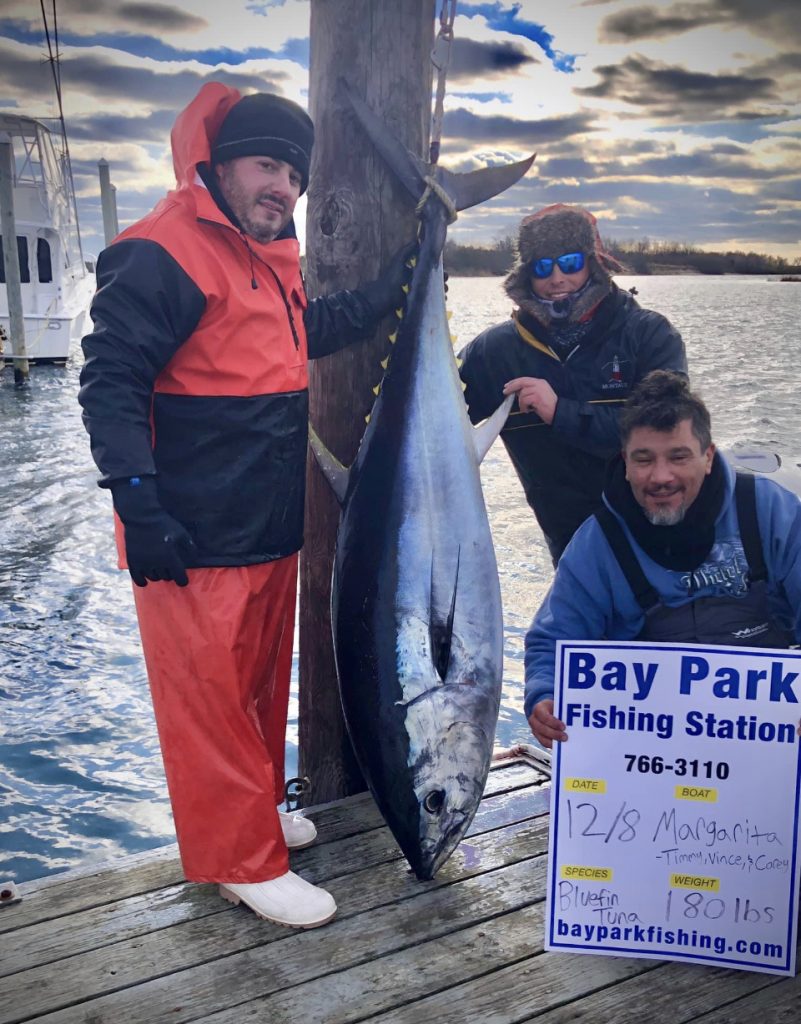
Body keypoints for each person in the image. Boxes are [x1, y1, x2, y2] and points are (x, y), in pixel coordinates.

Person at [78, 83, 412, 929]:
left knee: (259, 692)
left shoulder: (270, 259)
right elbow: (109, 380)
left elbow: (305, 332)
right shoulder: (161, 250)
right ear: (220, 164)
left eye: (294, 175)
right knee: (210, 700)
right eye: (267, 166)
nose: (283, 188)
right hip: (188, 532)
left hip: (266, 527)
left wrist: (383, 296)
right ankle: (236, 859)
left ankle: (255, 813)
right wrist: (138, 501)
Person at [525, 371, 801, 748]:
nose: (660, 476)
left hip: (765, 733)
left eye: (678, 457)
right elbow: (553, 640)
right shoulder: (598, 542)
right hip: (650, 741)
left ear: (708, 457)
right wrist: (544, 695)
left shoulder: (770, 511)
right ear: (624, 463)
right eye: (643, 459)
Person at [458, 204, 688, 563]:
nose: (556, 278)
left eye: (569, 263)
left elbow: (669, 433)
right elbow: (432, 424)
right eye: (542, 267)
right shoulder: (494, 352)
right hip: (570, 549)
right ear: (527, 275)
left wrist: (561, 412)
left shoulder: (648, 334)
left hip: (661, 537)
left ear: (593, 264)